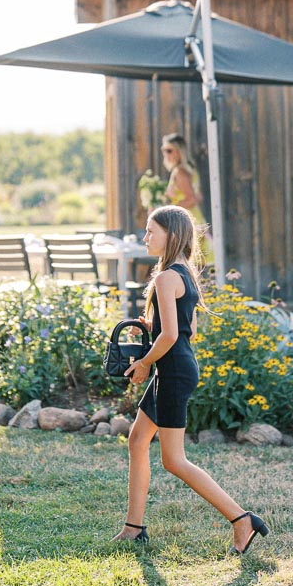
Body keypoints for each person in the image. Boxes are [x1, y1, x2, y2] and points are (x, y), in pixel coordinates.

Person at [112, 204, 268, 554]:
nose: (146, 236)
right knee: (138, 441)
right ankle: (133, 528)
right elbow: (188, 330)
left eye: (152, 231)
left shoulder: (167, 277)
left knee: (174, 460)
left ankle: (242, 519)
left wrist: (143, 364)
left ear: (172, 234)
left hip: (174, 370)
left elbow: (170, 337)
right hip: (177, 367)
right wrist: (155, 332)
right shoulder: (183, 273)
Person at [161, 133, 214, 267]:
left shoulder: (180, 172)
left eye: (169, 150)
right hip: (193, 216)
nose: (165, 154)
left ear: (179, 151)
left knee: (188, 260)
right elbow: (199, 195)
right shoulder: (189, 170)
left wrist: (170, 207)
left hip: (186, 218)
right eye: (164, 150)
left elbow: (191, 199)